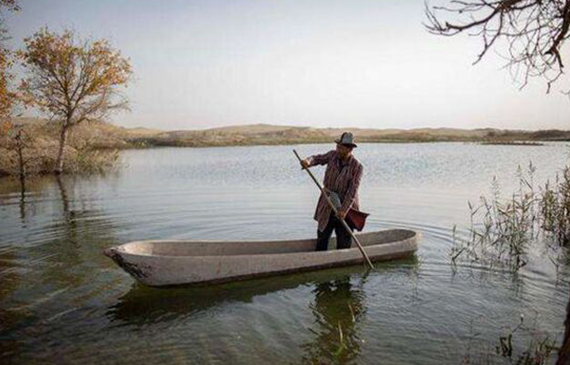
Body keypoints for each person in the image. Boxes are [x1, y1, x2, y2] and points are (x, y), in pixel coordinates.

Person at [300, 132, 363, 251]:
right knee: (322, 237)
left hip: (346, 208)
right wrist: (308, 161)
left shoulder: (357, 166)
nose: (337, 150)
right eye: (337, 147)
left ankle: (342, 261)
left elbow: (352, 191)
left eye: (341, 148)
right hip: (328, 203)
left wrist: (343, 210)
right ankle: (321, 259)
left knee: (344, 243)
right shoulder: (332, 156)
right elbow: (317, 158)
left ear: (349, 149)